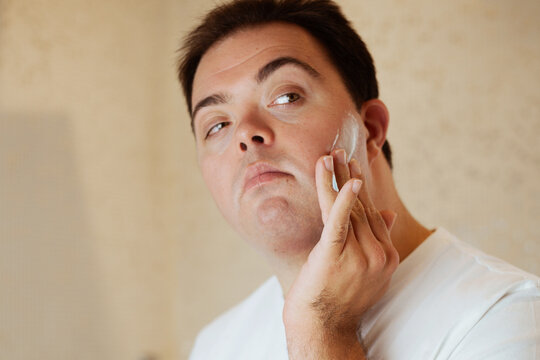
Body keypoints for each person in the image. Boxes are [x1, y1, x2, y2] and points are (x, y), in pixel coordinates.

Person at [177, 0, 540, 358]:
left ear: (370, 130)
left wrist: (324, 329)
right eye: (217, 125)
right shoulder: (216, 344)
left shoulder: (508, 318)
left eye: (286, 96)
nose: (245, 133)